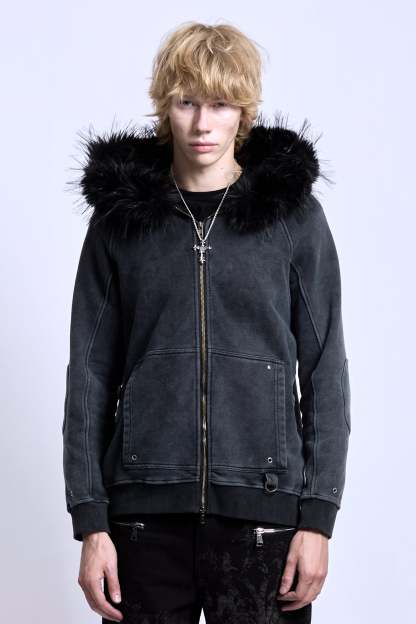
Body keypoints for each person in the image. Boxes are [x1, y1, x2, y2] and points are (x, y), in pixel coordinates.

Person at [62, 21, 351, 624]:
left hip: (265, 520)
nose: (201, 124)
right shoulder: (122, 221)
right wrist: (90, 520)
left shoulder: (292, 219)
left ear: (243, 111)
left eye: (220, 104)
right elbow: (89, 375)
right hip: (142, 521)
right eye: (186, 102)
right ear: (164, 107)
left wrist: (318, 518)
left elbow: (325, 372)